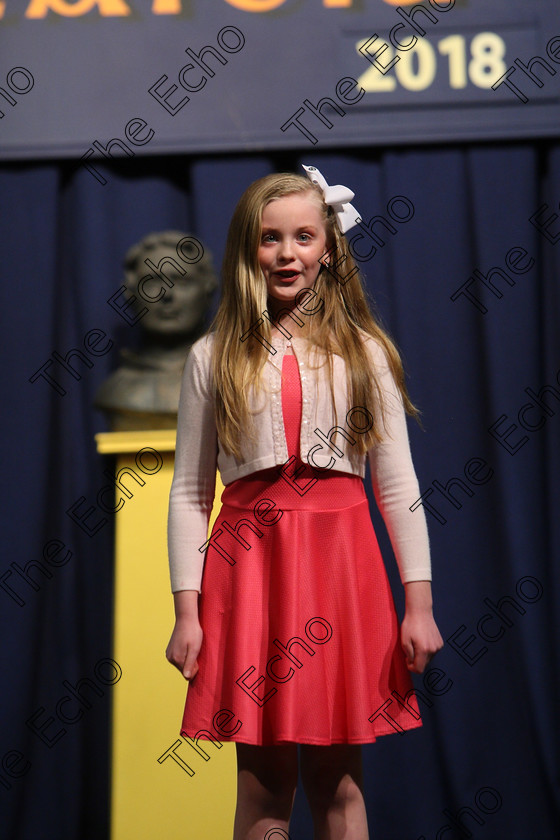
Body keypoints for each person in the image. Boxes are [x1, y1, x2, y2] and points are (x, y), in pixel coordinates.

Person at [166, 167, 444, 840]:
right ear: (247, 250)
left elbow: (398, 485)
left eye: (302, 237)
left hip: (340, 571)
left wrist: (419, 605)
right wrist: (187, 612)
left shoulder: (364, 353)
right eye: (270, 239)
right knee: (264, 785)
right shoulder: (212, 357)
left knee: (337, 780)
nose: (287, 253)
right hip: (250, 572)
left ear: (328, 249)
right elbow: (190, 492)